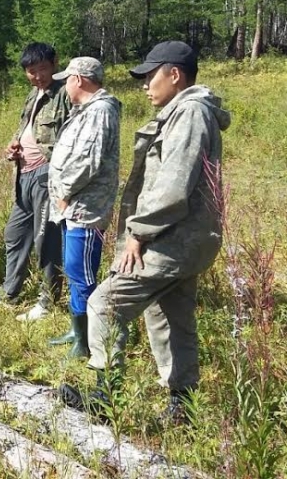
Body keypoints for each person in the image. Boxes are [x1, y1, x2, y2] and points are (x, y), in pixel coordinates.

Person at [59, 41, 230, 426]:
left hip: (172, 239)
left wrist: (137, 234)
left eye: (150, 75)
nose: (144, 85)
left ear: (175, 74)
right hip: (186, 240)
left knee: (106, 302)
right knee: (170, 315)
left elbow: (172, 185)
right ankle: (182, 407)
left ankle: (105, 396)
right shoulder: (188, 113)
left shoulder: (190, 114)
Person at [0, 43, 70, 322]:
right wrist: (14, 146)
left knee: (46, 240)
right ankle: (10, 292)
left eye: (42, 69)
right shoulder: (34, 95)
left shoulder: (65, 92)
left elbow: (72, 135)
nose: (37, 76)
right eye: (31, 72)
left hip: (47, 175)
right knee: (15, 234)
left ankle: (48, 300)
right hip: (24, 175)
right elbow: (26, 130)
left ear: (54, 63)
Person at [45, 57, 121, 359]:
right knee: (73, 268)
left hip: (85, 208)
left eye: (67, 79)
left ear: (78, 80)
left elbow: (89, 159)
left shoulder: (100, 111)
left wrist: (64, 191)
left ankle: (87, 340)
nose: (64, 86)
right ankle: (77, 330)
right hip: (72, 207)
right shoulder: (86, 111)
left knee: (82, 272)